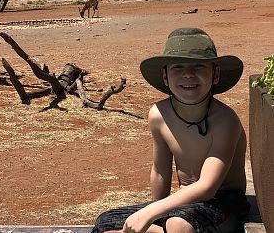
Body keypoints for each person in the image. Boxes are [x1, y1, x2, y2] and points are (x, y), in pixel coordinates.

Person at [91, 28, 250, 233]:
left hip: (224, 203)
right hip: (181, 205)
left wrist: (151, 213)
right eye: (178, 67)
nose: (188, 74)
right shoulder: (159, 114)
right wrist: (155, 214)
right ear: (165, 76)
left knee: (178, 225)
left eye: (199, 66)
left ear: (215, 74)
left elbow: (207, 187)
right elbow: (160, 171)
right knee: (105, 222)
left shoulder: (225, 120)